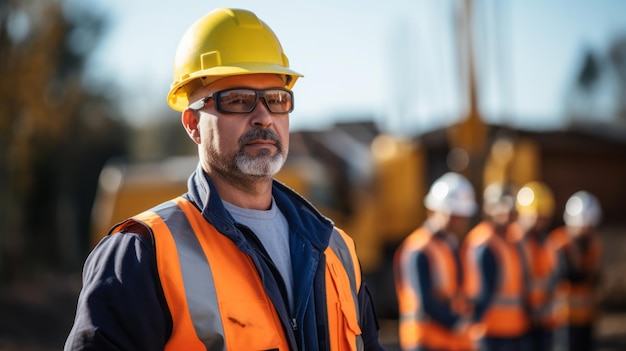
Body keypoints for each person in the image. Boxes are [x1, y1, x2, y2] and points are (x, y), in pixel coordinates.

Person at [64, 8, 383, 351]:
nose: (264, 117)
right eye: (237, 100)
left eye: (276, 99)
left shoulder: (338, 250)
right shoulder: (142, 253)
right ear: (191, 124)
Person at [394, 172, 479, 351]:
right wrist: (457, 322)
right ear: (434, 210)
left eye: (461, 216)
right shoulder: (419, 248)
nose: (458, 221)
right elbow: (424, 301)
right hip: (426, 341)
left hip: (449, 341)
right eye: (453, 215)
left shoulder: (450, 245)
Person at [461, 182, 530, 351]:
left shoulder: (514, 239)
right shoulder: (483, 243)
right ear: (489, 210)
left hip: (516, 328)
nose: (507, 214)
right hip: (490, 331)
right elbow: (480, 293)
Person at [509, 181, 560, 351]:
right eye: (537, 217)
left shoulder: (547, 244)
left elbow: (552, 280)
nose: (541, 223)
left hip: (543, 323)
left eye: (545, 218)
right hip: (519, 324)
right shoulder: (512, 242)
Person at [549, 191, 603, 351]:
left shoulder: (594, 243)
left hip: (587, 316)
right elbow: (565, 275)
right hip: (565, 318)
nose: (588, 229)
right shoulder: (560, 243)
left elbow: (596, 277)